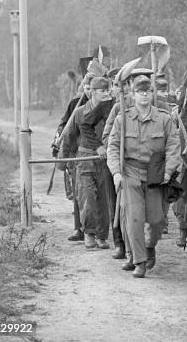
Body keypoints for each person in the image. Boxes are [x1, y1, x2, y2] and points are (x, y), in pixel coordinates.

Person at [107, 75, 181, 278]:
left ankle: (150, 246)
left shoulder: (164, 119)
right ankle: (139, 261)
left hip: (156, 175)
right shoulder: (123, 119)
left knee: (157, 220)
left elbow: (174, 146)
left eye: (148, 91)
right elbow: (112, 147)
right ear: (133, 94)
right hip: (130, 173)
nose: (145, 95)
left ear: (152, 93)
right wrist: (115, 172)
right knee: (135, 219)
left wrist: (168, 170)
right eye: (140, 92)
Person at [67, 76, 114, 250]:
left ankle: (102, 236)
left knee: (103, 200)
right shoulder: (79, 112)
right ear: (93, 92)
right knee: (87, 198)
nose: (106, 94)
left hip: (104, 162)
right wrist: (64, 161)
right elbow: (70, 136)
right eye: (102, 91)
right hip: (85, 159)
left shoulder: (110, 109)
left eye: (107, 90)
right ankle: (89, 233)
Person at [55, 73, 95, 241]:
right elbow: (64, 126)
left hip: (95, 154)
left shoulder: (102, 105)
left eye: (92, 89)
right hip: (76, 154)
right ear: (83, 88)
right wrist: (59, 136)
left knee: (96, 195)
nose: (90, 92)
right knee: (79, 193)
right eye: (87, 88)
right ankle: (78, 228)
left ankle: (96, 230)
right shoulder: (74, 104)